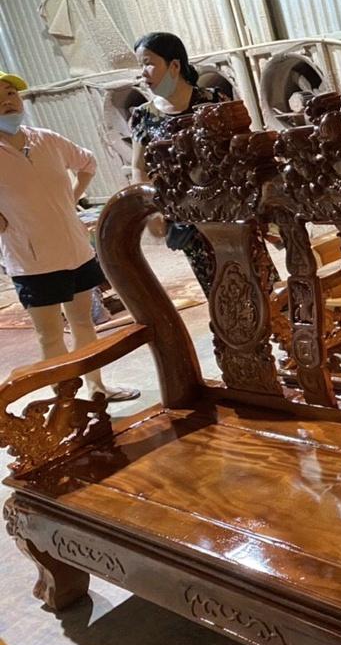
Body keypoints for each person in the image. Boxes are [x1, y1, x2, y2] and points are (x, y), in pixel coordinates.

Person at [0, 70, 139, 402]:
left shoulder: (46, 139)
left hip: (75, 249)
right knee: (49, 336)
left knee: (83, 323)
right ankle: (66, 402)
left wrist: (71, 199)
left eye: (11, 93)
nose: (7, 101)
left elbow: (87, 163)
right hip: (32, 260)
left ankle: (97, 388)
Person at [129, 32, 226, 297]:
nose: (143, 73)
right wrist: (150, 212)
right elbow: (139, 168)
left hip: (227, 208)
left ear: (174, 65)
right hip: (186, 218)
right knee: (216, 289)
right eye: (140, 66)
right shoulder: (143, 116)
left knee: (255, 277)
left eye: (148, 63)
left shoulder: (213, 101)